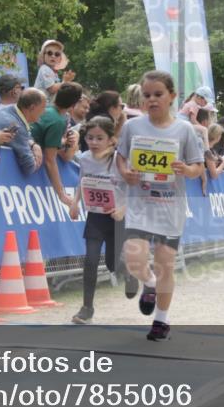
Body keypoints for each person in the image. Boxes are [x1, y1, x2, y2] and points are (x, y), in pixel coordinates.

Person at [117, 71, 204, 341]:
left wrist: (185, 169)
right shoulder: (132, 127)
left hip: (170, 206)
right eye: (147, 95)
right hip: (140, 204)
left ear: (172, 97)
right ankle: (150, 284)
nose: (152, 100)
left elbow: (198, 167)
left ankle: (161, 320)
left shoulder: (184, 129)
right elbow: (120, 158)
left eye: (158, 94)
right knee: (134, 259)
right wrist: (126, 172)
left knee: (165, 263)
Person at [67, 116, 126, 324]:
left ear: (111, 139)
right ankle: (87, 308)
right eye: (90, 137)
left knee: (113, 264)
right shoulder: (84, 158)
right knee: (90, 260)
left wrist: (123, 209)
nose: (93, 142)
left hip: (117, 218)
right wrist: (75, 202)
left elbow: (135, 188)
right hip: (95, 217)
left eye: (99, 138)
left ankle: (136, 274)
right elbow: (83, 181)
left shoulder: (119, 159)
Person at [30, 81, 82, 206]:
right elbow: (49, 160)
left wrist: (61, 142)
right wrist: (61, 194)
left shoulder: (46, 109)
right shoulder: (58, 121)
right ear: (74, 104)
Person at [0, 87, 46, 175]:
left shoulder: (7, 109)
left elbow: (26, 135)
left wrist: (33, 144)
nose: (44, 112)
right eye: (43, 107)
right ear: (32, 107)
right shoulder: (17, 126)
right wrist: (38, 160)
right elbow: (29, 167)